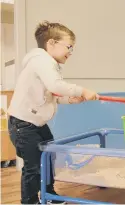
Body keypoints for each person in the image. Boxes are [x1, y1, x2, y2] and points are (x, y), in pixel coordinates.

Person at [7, 21, 98, 204]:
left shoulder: (48, 64)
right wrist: (81, 90)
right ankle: (30, 201)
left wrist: (69, 99)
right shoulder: (42, 61)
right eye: (69, 47)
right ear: (51, 43)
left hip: (35, 124)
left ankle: (49, 194)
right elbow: (55, 85)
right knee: (33, 167)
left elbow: (51, 94)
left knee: (48, 158)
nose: (70, 53)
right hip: (23, 125)